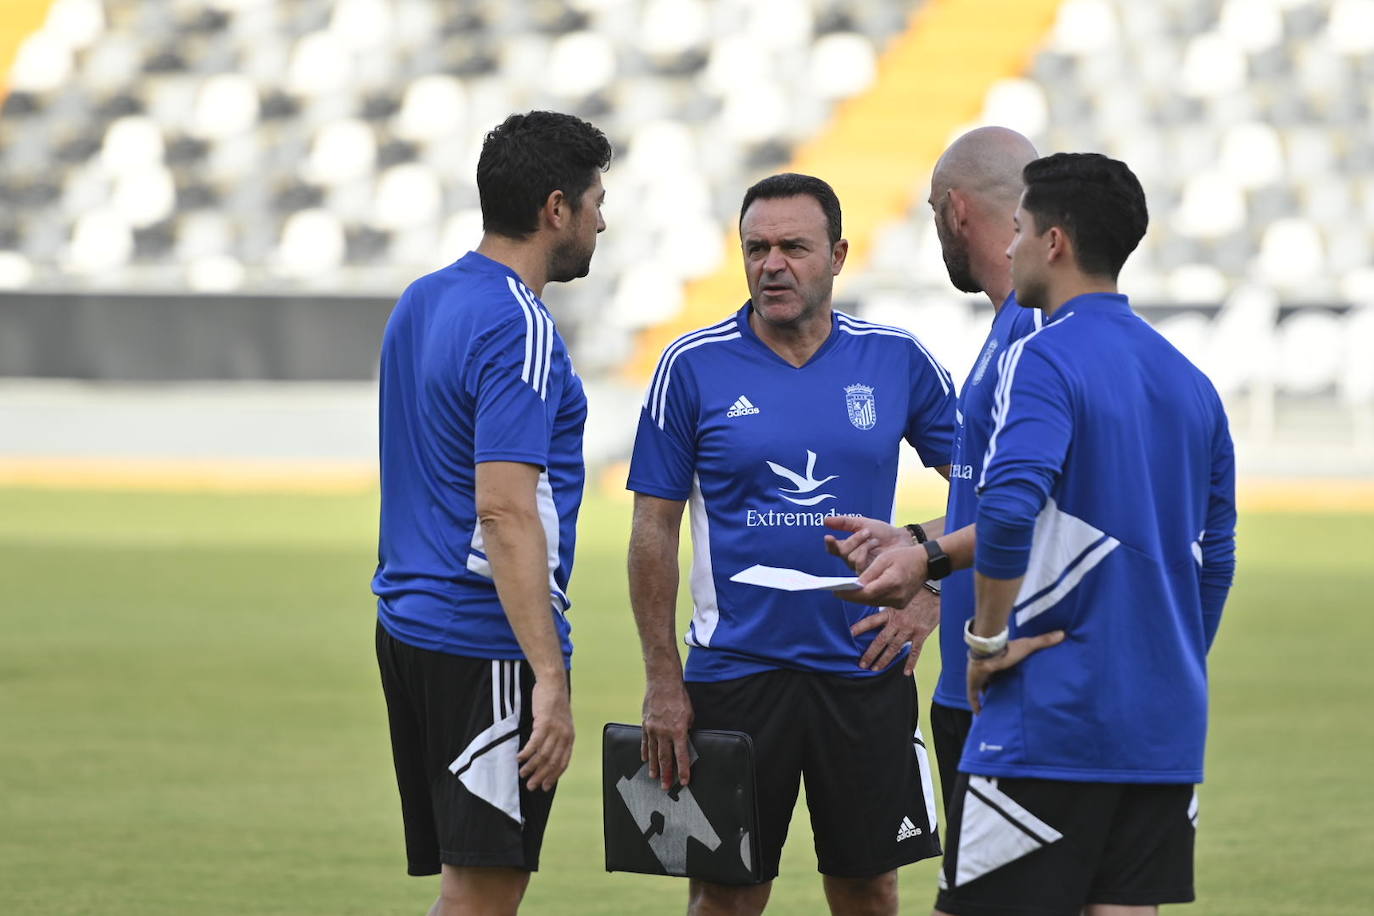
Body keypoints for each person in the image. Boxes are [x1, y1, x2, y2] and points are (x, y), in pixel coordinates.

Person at [846, 153, 1237, 914]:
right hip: (1162, 728)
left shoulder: (1043, 357)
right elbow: (1215, 557)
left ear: (1054, 242)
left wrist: (985, 644)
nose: (1012, 246)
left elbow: (1011, 504)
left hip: (1049, 719)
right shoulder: (1193, 381)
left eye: (1021, 230)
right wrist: (1172, 665)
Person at [626, 172, 956, 916]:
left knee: (870, 891)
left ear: (838, 255)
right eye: (756, 248)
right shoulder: (692, 366)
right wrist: (662, 679)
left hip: (866, 671)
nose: (772, 264)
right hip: (733, 679)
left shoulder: (896, 360)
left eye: (793, 247)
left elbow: (986, 491)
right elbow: (653, 530)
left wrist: (930, 590)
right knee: (724, 898)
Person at [371, 111, 611, 916]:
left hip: (408, 628)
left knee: (466, 890)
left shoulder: (422, 300)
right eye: (594, 202)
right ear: (556, 210)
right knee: (486, 895)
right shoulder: (519, 325)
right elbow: (505, 513)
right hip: (486, 641)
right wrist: (549, 675)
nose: (601, 221)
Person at [822, 126, 1041, 814]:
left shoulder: (1034, 337)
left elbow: (1043, 510)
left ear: (955, 211)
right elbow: (995, 504)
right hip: (971, 685)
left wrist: (929, 562)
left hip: (1007, 684)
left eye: (931, 211)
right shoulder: (1009, 330)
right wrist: (918, 544)